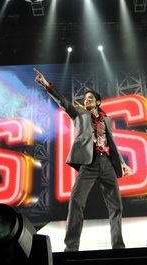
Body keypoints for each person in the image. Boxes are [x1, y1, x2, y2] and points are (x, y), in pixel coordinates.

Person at [34, 68, 133, 252]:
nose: (86, 100)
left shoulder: (107, 120)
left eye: (90, 98)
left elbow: (112, 144)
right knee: (76, 201)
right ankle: (71, 248)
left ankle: (118, 247)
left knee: (116, 206)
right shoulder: (80, 114)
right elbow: (63, 102)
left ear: (98, 102)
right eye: (85, 98)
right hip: (89, 163)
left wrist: (122, 163)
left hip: (107, 164)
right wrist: (47, 85)